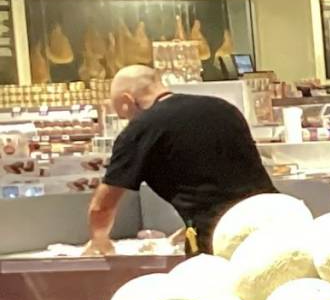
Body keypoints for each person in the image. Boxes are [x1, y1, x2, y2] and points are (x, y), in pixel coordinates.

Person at [85, 64, 274, 253]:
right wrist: (189, 225)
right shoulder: (222, 108)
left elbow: (103, 206)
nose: (127, 122)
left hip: (222, 239)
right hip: (277, 217)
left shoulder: (141, 129)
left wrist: (99, 241)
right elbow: (227, 181)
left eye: (123, 115)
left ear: (127, 100)